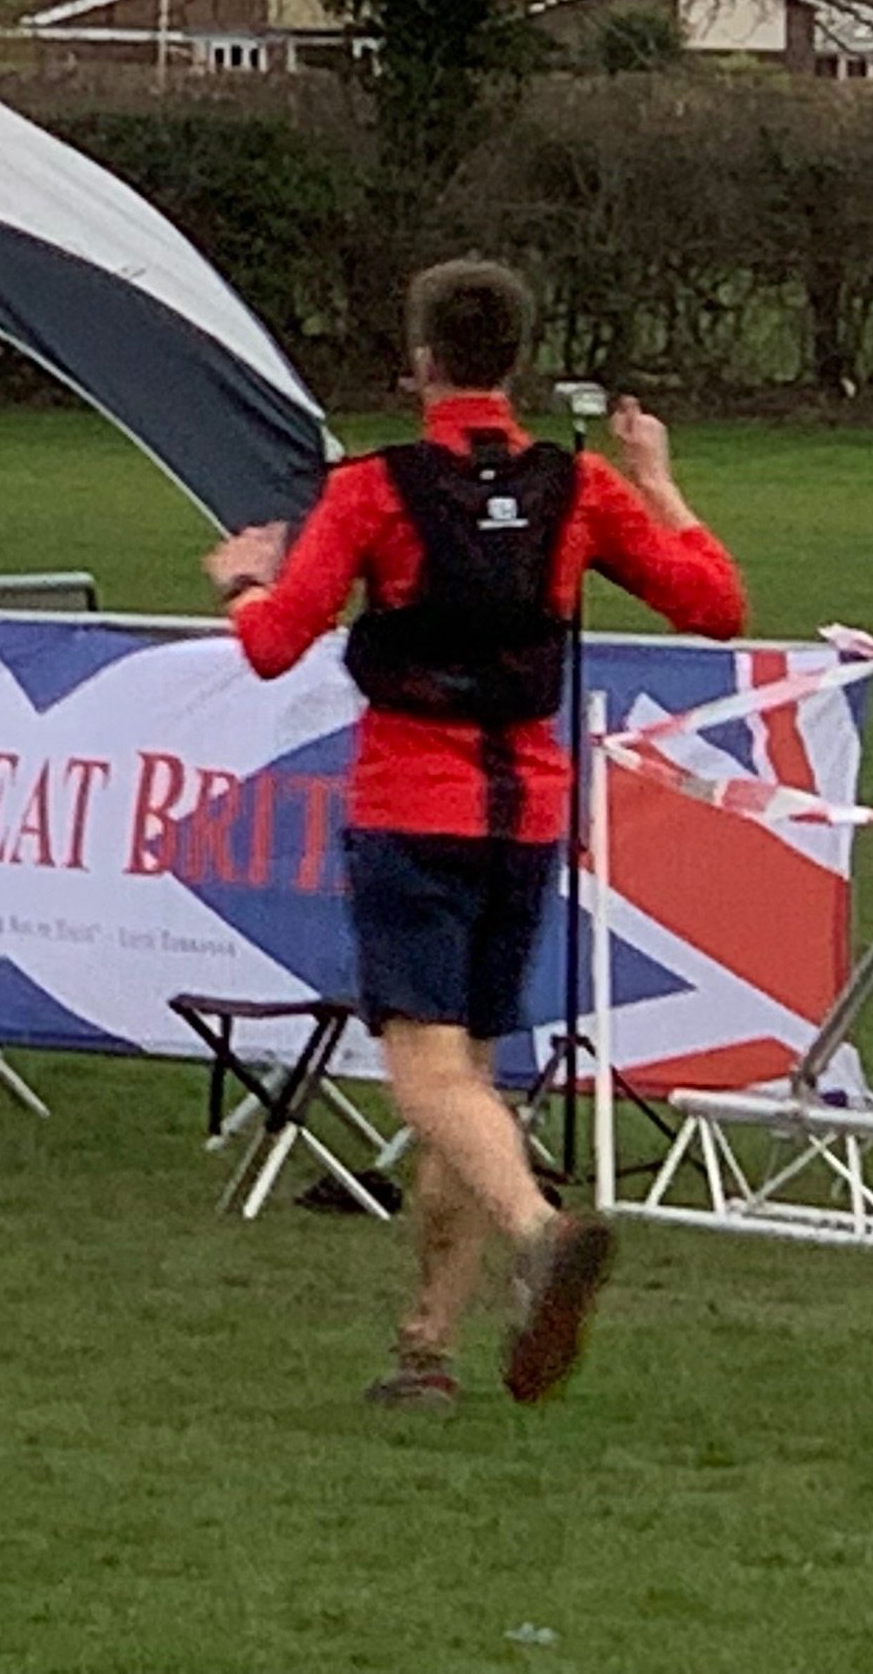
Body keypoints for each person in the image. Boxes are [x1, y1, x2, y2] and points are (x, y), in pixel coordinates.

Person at [202, 258, 743, 1412]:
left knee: (427, 1074)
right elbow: (716, 605)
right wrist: (659, 482)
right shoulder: (579, 486)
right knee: (472, 1084)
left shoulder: (373, 489)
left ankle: (541, 1236)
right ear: (519, 362)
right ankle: (427, 1349)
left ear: (421, 365)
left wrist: (243, 583)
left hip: (414, 804)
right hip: (527, 814)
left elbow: (275, 644)